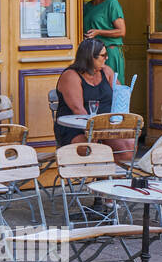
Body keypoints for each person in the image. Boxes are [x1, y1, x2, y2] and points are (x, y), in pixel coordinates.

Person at [54, 38, 135, 166]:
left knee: (127, 148)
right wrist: (94, 131)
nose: (107, 58)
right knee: (91, 149)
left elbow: (119, 98)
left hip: (106, 127)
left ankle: (107, 178)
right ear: (90, 57)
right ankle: (104, 179)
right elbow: (78, 110)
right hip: (75, 128)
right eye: (103, 55)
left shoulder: (107, 72)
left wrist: (116, 126)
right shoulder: (71, 76)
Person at [83, 0, 126, 86]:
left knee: (111, 87)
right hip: (91, 55)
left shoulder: (111, 3)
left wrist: (98, 32)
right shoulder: (87, 6)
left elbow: (122, 31)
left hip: (109, 53)